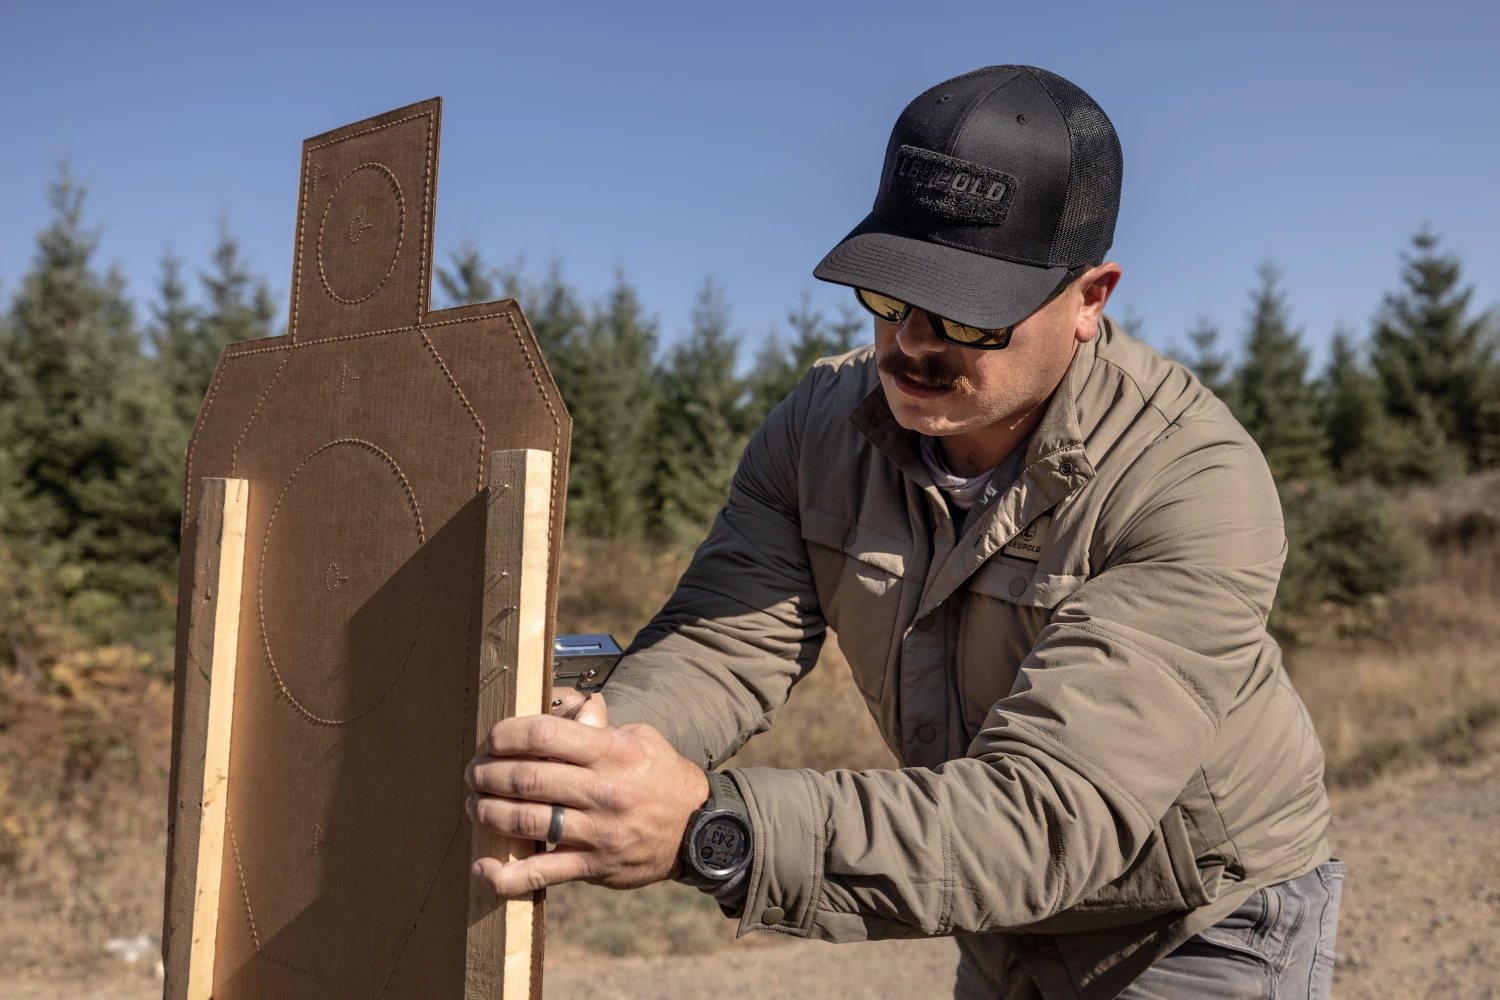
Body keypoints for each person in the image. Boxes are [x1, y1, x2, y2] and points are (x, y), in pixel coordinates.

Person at [463, 65, 1343, 999]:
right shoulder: (819, 427)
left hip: (1196, 923)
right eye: (889, 294)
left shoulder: (1188, 480)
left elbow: (1047, 818)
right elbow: (725, 642)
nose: (914, 342)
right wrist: (604, 748)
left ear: (1091, 299)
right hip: (998, 922)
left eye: (970, 311)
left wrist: (706, 826)